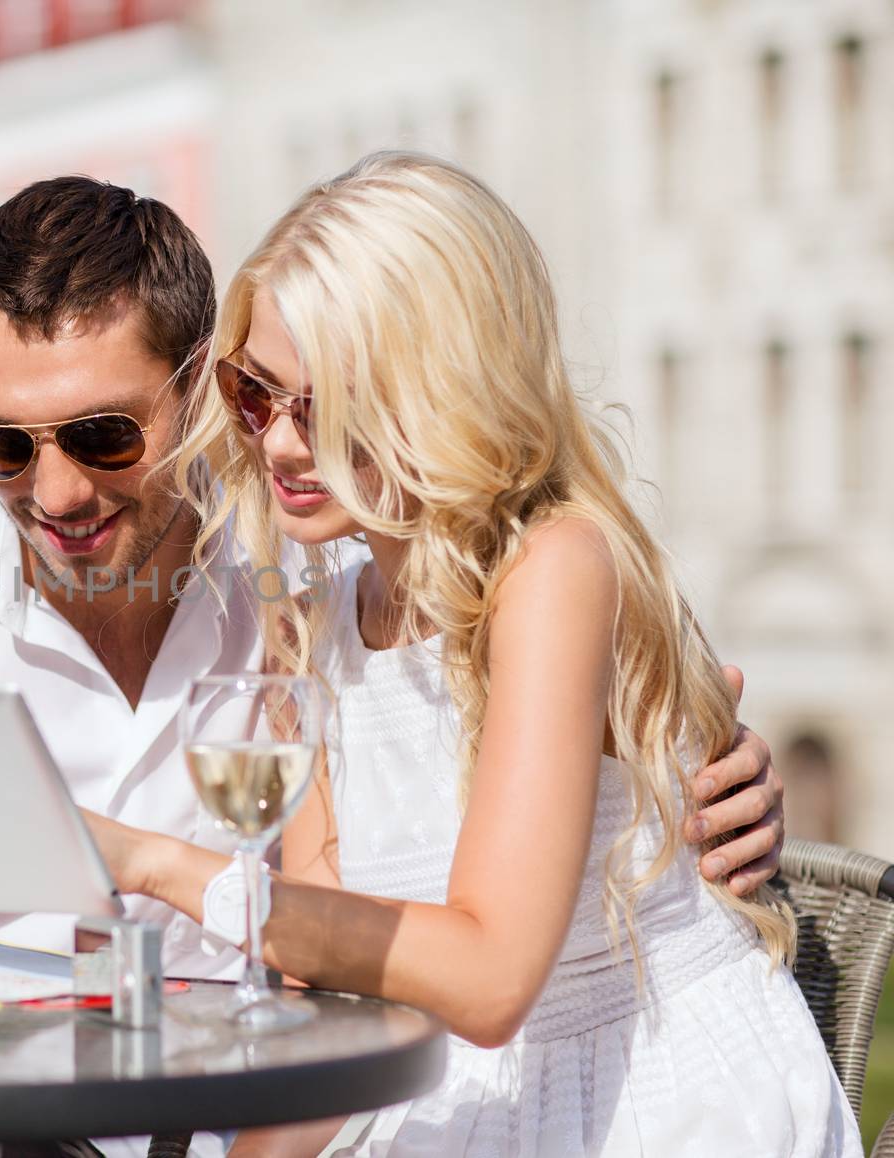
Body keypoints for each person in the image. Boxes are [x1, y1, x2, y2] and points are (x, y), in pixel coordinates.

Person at [0, 176, 785, 1156]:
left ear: (189, 394)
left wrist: (695, 771)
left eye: (103, 436)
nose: (57, 491)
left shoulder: (296, 589)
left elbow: (463, 850)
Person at [87, 152, 854, 1156]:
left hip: (639, 1097)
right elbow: (337, 994)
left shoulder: (553, 569)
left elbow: (490, 983)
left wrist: (149, 864)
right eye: (254, 392)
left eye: (323, 407)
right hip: (439, 1090)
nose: (275, 444)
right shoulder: (312, 625)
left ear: (441, 394)